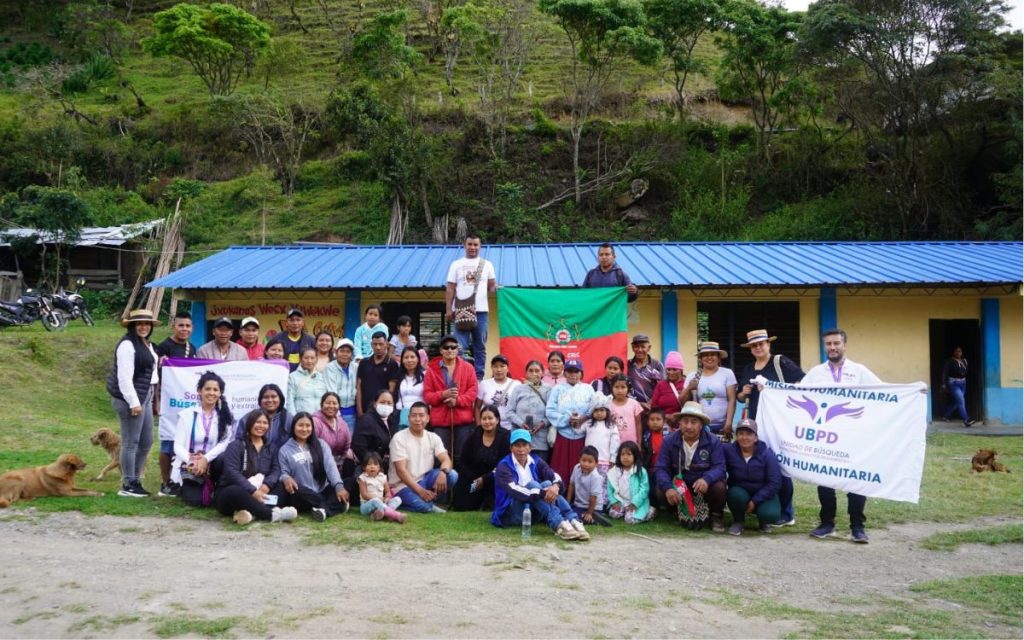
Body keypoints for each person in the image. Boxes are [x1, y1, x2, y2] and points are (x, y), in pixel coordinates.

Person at [801, 329, 882, 544]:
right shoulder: (816, 373)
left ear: (844, 345)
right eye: (828, 344)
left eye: (836, 343)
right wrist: (769, 389)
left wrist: (912, 391)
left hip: (855, 436)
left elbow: (884, 392)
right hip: (826, 436)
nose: (832, 347)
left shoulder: (859, 371)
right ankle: (827, 523)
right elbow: (795, 393)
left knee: (856, 480)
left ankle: (857, 526)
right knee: (825, 478)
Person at [735, 329, 804, 527]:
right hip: (756, 423)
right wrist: (743, 393)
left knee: (780, 465)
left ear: (768, 344)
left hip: (779, 421)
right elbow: (741, 395)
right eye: (754, 345)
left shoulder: (780, 362)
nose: (758, 348)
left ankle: (786, 511)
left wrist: (773, 388)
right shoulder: (748, 368)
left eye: (761, 344)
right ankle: (764, 506)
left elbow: (801, 382)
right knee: (763, 465)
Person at [491, 429, 589, 541]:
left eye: (524, 445)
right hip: (510, 513)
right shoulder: (503, 466)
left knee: (548, 483)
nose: (521, 449)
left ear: (530, 447)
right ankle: (559, 524)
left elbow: (553, 475)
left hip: (532, 511)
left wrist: (555, 487)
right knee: (534, 485)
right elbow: (515, 490)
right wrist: (543, 493)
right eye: (517, 445)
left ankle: (573, 520)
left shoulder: (536, 460)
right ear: (511, 448)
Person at [107, 309, 161, 498]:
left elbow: (151, 374)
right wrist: (133, 403)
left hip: (145, 395)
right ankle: (128, 483)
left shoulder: (145, 344)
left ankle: (136, 479)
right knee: (131, 442)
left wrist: (153, 399)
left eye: (147, 324)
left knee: (146, 441)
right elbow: (124, 378)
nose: (144, 327)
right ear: (132, 325)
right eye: (139, 324)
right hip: (130, 399)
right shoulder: (127, 346)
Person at [654, 401, 727, 532]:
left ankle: (716, 515)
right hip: (680, 485)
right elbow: (661, 468)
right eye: (685, 421)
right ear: (679, 423)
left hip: (701, 486)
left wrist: (707, 479)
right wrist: (668, 488)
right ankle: (677, 512)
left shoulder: (713, 441)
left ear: (701, 425)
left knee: (719, 487)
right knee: (661, 489)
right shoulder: (669, 441)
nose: (689, 426)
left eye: (694, 422)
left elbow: (720, 467)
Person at [215, 410, 297, 525]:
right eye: (258, 422)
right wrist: (252, 491)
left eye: (265, 423)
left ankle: (251, 514)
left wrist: (266, 485)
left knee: (282, 487)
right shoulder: (236, 445)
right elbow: (231, 472)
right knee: (233, 491)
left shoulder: (271, 448)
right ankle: (272, 515)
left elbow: (276, 469)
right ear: (250, 424)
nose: (261, 426)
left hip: (260, 491)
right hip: (235, 494)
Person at [172, 371, 235, 507]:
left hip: (213, 463)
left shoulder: (225, 416)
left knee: (224, 458)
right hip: (191, 465)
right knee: (196, 502)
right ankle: (188, 486)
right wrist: (192, 461)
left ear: (220, 393)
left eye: (215, 390)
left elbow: (224, 443)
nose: (211, 393)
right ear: (199, 391)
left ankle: (216, 485)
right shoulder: (186, 415)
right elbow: (177, 446)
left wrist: (205, 459)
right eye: (207, 389)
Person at [154, 310, 197, 498]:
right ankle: (165, 483)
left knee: (185, 444)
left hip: (187, 401)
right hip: (169, 402)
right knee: (167, 444)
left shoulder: (192, 348)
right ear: (173, 326)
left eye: (188, 326)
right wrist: (156, 401)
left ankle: (181, 480)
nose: (184, 329)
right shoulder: (162, 347)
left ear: (192, 328)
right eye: (181, 325)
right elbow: (155, 377)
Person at [278, 412, 350, 521]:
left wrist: (338, 486)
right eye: (300, 425)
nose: (304, 429)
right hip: (302, 494)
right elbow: (283, 471)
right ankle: (334, 505)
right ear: (293, 427)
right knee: (296, 489)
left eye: (308, 425)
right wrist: (286, 477)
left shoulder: (321, 444)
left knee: (350, 481)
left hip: (322, 489)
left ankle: (322, 510)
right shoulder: (285, 450)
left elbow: (330, 467)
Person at [388, 402, 458, 513]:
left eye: (421, 415)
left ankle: (427, 500)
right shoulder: (399, 438)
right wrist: (421, 491)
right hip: (402, 485)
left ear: (428, 418)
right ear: (408, 418)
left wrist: (443, 473)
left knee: (452, 475)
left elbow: (446, 459)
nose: (417, 419)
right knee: (422, 506)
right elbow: (401, 471)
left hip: (424, 480)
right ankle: (398, 502)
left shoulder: (433, 437)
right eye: (414, 415)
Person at [445, 234, 497, 380]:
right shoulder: (456, 264)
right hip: (461, 310)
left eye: (475, 245)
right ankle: (461, 376)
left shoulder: (487, 264)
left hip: (481, 311)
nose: (473, 247)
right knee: (460, 347)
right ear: (464, 246)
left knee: (480, 346)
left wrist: (499, 290)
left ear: (480, 247)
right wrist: (449, 308)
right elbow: (450, 287)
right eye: (470, 244)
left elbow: (492, 286)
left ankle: (479, 378)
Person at [423, 334, 478, 464]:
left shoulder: (468, 368)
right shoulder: (431, 370)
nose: (449, 350)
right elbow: (428, 396)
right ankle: (442, 483)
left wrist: (457, 400)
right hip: (440, 422)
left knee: (462, 456)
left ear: (457, 350)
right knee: (441, 456)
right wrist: (443, 394)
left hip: (463, 420)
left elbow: (473, 393)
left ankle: (461, 484)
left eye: (453, 347)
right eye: (446, 347)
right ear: (441, 350)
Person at [723, 418, 781, 536]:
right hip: (739, 491)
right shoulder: (728, 451)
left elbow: (775, 482)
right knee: (734, 494)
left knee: (771, 515)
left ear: (756, 437)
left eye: (749, 434)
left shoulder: (766, 454)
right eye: (741, 434)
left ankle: (763, 521)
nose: (744, 437)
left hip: (762, 492)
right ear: (736, 436)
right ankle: (738, 521)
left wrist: (755, 501)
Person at [545, 358, 596, 484]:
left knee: (581, 469)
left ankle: (579, 499)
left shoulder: (588, 389)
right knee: (560, 470)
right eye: (570, 371)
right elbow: (550, 411)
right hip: (563, 435)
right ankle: (559, 496)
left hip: (582, 436)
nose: (573, 374)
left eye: (576, 371)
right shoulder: (557, 389)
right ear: (565, 373)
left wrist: (582, 419)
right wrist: (567, 420)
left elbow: (594, 409)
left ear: (581, 373)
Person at [452, 405, 511, 511]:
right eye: (484, 419)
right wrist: (474, 478)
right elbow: (463, 460)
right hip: (475, 479)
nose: (487, 422)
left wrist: (485, 479)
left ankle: (490, 501)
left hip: (494, 479)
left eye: (490, 418)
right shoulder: (475, 434)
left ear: (497, 420)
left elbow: (505, 464)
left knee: (493, 503)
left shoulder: (505, 436)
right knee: (463, 505)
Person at [683, 342, 737, 439]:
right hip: (700, 427)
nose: (709, 357)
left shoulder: (727, 373)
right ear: (701, 358)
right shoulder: (693, 376)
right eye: (705, 355)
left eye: (712, 354)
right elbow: (682, 402)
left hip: (723, 427)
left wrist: (728, 423)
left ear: (718, 357)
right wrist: (689, 388)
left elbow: (732, 399)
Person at [506, 360, 553, 462]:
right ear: (526, 373)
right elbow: (509, 411)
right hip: (519, 440)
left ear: (542, 373)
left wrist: (542, 423)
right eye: (530, 371)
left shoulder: (549, 390)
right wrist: (521, 423)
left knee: (539, 471)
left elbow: (552, 413)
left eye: (537, 371)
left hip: (540, 441)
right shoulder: (518, 389)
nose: (534, 374)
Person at [607, 441, 655, 524]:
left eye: (629, 454)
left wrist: (635, 503)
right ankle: (625, 511)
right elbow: (610, 488)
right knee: (613, 514)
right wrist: (614, 502)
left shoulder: (640, 471)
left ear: (635, 456)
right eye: (623, 454)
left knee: (629, 520)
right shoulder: (614, 471)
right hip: (621, 501)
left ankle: (649, 511)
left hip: (636, 502)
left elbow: (644, 489)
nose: (625, 457)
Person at [352, 390, 399, 474]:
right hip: (369, 469)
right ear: (375, 404)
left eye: (389, 403)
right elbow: (359, 448)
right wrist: (374, 464)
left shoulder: (392, 420)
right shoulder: (366, 420)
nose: (386, 405)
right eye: (382, 402)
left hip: (387, 467)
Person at [355, 332, 400, 417]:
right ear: (371, 345)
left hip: (383, 412)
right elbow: (359, 387)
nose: (378, 347)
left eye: (381, 344)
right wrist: (359, 411)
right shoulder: (364, 363)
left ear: (386, 344)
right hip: (365, 411)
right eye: (375, 344)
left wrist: (388, 411)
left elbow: (392, 390)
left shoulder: (392, 364)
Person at [234, 383, 291, 450]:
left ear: (280, 399)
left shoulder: (289, 419)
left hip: (280, 459)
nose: (270, 400)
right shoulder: (247, 418)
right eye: (266, 397)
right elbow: (239, 442)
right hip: (252, 458)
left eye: (273, 397)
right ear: (260, 400)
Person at [312, 392, 354, 480]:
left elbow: (347, 444)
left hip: (339, 463)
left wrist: (342, 461)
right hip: (321, 463)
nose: (331, 406)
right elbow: (313, 447)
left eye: (334, 403)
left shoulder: (342, 423)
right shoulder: (315, 422)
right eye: (328, 403)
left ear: (339, 406)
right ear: (321, 405)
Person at [576, 394, 619, 477]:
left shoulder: (611, 426)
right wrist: (575, 422)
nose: (599, 413)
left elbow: (615, 443)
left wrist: (613, 458)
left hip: (604, 462)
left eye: (602, 410)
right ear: (592, 412)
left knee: (602, 484)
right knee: (588, 481)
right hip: (588, 461)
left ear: (607, 411)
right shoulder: (588, 424)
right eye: (596, 410)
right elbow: (577, 431)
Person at [357, 451, 405, 523]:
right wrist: (378, 499)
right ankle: (395, 515)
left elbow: (388, 492)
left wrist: (387, 498)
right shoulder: (362, 478)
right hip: (367, 505)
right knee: (375, 501)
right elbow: (364, 495)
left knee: (398, 499)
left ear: (379, 467)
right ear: (364, 467)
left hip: (381, 503)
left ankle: (379, 514)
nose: (372, 466)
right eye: (369, 464)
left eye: (375, 464)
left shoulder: (382, 477)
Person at [567, 446, 610, 526]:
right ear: (579, 459)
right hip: (579, 505)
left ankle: (593, 518)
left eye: (590, 462)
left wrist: (589, 513)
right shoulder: (576, 468)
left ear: (596, 464)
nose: (586, 464)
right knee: (566, 511)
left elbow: (593, 497)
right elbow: (571, 485)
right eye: (583, 460)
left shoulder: (595, 477)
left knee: (573, 517)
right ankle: (587, 517)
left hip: (593, 507)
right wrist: (568, 503)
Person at [476, 354, 519, 429]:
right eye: (495, 366)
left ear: (508, 368)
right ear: (491, 368)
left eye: (502, 366)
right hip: (489, 427)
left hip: (510, 428)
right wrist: (479, 426)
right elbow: (477, 407)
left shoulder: (516, 385)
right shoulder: (484, 384)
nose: (499, 370)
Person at [324, 338, 358, 427]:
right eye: (342, 351)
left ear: (351, 354)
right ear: (336, 352)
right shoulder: (330, 367)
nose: (345, 354)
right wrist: (336, 413)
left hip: (353, 413)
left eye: (348, 352)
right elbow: (332, 391)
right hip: (336, 412)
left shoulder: (356, 367)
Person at [286, 348, 328, 415]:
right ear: (300, 359)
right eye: (306, 358)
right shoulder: (292, 377)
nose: (309, 361)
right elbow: (289, 401)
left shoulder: (321, 377)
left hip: (320, 419)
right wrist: (294, 419)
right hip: (302, 419)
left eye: (312, 358)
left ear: (316, 359)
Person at [627, 334, 665, 408]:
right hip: (632, 407)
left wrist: (650, 403)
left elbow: (662, 387)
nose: (639, 350)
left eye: (643, 347)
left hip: (653, 408)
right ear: (632, 348)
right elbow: (624, 387)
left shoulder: (657, 365)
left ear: (649, 348)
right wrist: (638, 404)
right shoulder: (627, 365)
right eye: (636, 347)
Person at [642, 408, 668, 510]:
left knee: (660, 486)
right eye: (652, 420)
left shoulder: (668, 435)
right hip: (650, 467)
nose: (655, 422)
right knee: (650, 487)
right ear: (648, 422)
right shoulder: (646, 436)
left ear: (664, 421)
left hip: (664, 468)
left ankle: (665, 505)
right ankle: (653, 506)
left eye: (658, 419)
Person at [941, 346, 975, 427]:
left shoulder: (964, 361)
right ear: (953, 352)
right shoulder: (950, 361)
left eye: (960, 351)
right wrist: (943, 383)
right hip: (953, 383)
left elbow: (966, 372)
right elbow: (945, 372)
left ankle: (946, 415)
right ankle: (966, 419)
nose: (958, 353)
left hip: (963, 383)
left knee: (957, 401)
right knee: (961, 400)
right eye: (956, 351)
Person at [609, 374, 643, 448]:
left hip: (632, 444)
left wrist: (639, 443)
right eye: (616, 387)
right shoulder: (608, 405)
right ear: (612, 388)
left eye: (623, 387)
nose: (619, 390)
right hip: (613, 444)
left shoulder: (634, 404)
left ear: (628, 388)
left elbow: (638, 424)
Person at [393, 346, 425, 425]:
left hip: (420, 415)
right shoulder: (397, 376)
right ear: (402, 360)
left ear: (418, 359)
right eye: (406, 357)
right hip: (401, 415)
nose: (409, 360)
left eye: (412, 357)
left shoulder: (425, 375)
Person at [650, 351, 687, 415]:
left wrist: (678, 416)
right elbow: (654, 406)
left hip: (682, 422)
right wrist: (665, 417)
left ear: (681, 370)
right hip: (663, 422)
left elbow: (691, 406)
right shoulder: (660, 385)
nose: (671, 372)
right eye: (668, 369)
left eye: (674, 370)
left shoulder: (686, 384)